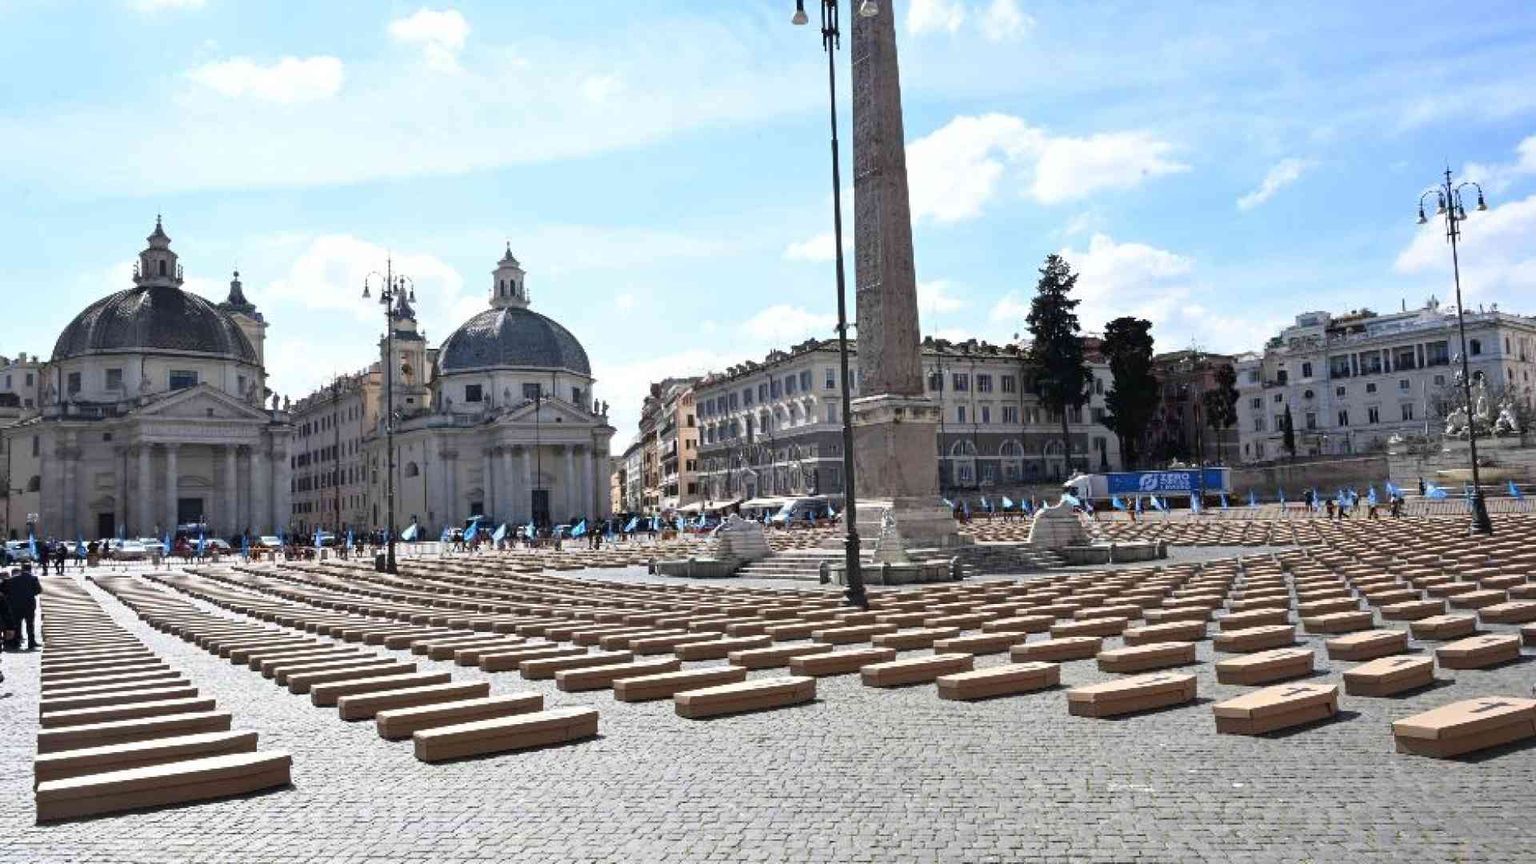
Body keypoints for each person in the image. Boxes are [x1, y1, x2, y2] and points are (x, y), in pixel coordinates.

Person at [2, 564, 40, 650]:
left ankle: (16, 642)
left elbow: (3, 590)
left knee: (17, 624)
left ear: (21, 569)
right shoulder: (33, 579)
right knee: (30, 625)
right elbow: (38, 590)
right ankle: (31, 643)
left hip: (15, 606)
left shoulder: (11, 580)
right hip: (29, 605)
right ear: (30, 570)